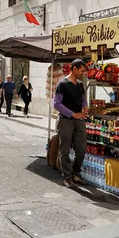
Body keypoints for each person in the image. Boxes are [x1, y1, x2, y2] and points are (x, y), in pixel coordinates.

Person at [53, 59, 89, 188]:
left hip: (79, 121)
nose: (83, 73)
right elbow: (57, 104)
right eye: (82, 70)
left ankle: (76, 173)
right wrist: (73, 114)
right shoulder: (62, 84)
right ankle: (67, 177)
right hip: (66, 120)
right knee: (65, 150)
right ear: (74, 69)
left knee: (81, 148)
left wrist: (85, 107)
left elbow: (83, 99)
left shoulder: (79, 85)